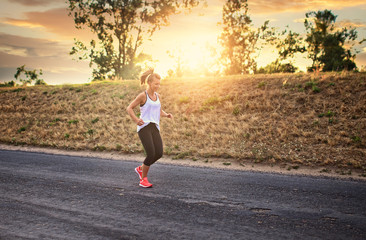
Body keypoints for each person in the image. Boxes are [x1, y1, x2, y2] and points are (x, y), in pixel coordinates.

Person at [126, 69, 173, 188]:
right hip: (144, 127)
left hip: (154, 127)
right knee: (151, 153)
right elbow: (129, 108)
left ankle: (141, 168)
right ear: (150, 83)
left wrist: (166, 114)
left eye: (159, 84)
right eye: (156, 84)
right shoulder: (143, 96)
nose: (158, 86)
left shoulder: (157, 96)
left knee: (159, 153)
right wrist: (137, 120)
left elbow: (158, 110)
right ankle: (143, 179)